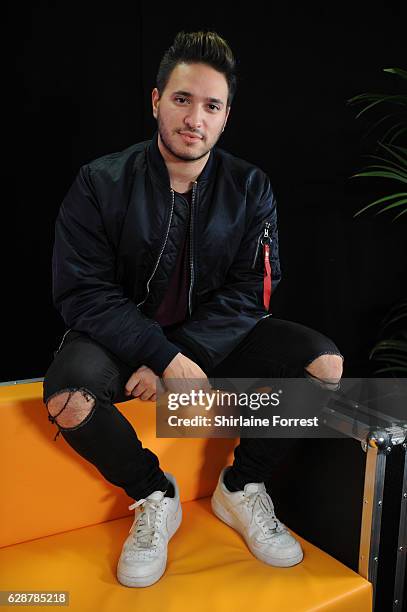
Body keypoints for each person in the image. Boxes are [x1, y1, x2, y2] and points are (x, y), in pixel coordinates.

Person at [43, 30, 344, 588]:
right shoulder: (100, 181)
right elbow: (81, 291)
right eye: (182, 99)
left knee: (323, 365)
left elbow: (255, 290)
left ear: (226, 117)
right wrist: (159, 354)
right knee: (66, 397)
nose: (194, 118)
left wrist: (183, 356)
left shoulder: (251, 186)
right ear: (156, 100)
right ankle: (154, 494)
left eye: (211, 105)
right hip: (117, 334)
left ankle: (242, 488)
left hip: (212, 338)